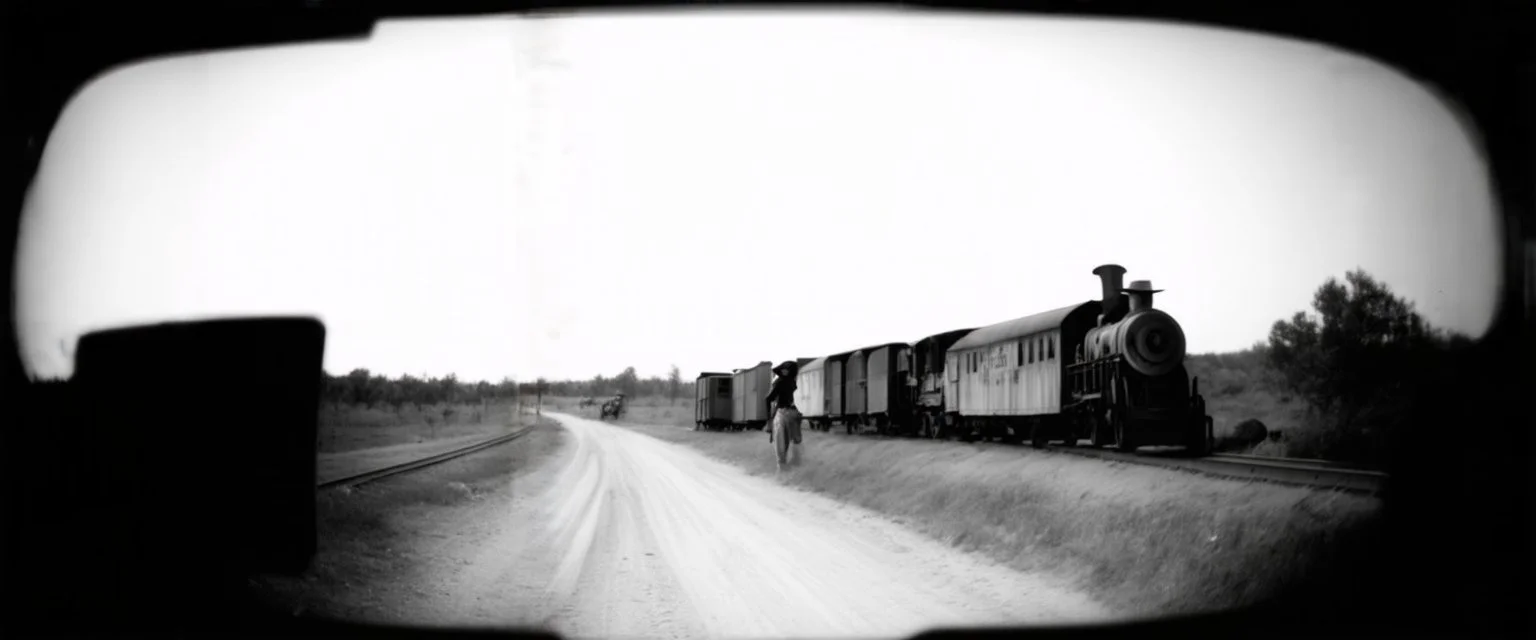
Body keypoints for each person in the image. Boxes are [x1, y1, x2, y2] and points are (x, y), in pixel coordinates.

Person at [764, 361, 802, 471]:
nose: (785, 371)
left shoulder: (782, 382)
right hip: (789, 413)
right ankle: (789, 466)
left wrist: (769, 419)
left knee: (781, 441)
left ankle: (783, 467)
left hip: (783, 413)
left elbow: (768, 399)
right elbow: (769, 399)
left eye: (787, 369)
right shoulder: (790, 382)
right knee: (793, 441)